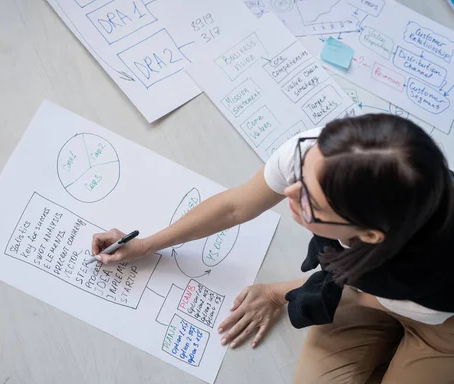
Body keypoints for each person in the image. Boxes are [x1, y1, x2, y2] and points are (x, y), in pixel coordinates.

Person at [91, 114, 454, 383]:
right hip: (365, 289)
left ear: (372, 234)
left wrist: (278, 294)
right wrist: (147, 244)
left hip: (438, 319)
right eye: (300, 175)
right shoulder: (324, 156)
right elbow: (236, 206)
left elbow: (358, 296)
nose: (290, 194)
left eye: (313, 203)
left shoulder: (424, 268)